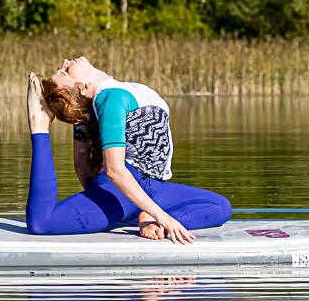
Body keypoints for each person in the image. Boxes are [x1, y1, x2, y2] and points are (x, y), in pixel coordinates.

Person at [24, 56, 231, 242]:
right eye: (65, 72)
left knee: (220, 206)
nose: (65, 62)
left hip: (153, 189)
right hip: (122, 193)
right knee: (42, 222)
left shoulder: (116, 93)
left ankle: (145, 215)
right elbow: (114, 170)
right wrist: (164, 218)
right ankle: (39, 126)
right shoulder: (110, 99)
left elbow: (81, 161)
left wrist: (148, 214)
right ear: (84, 87)